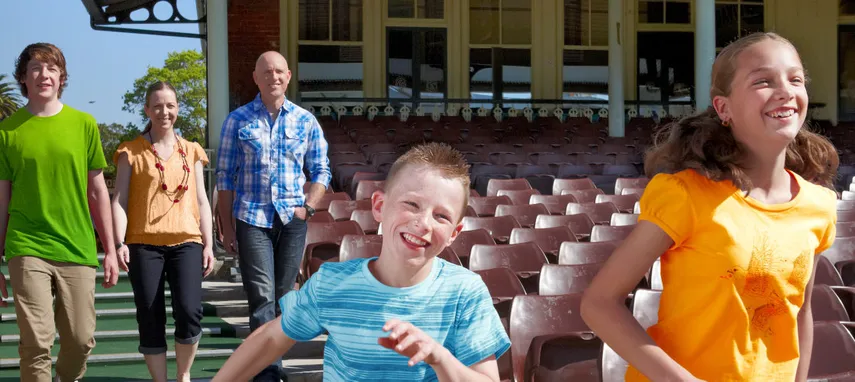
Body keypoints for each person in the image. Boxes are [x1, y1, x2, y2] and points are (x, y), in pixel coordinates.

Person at [580, 32, 839, 382]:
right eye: (763, 81)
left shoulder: (818, 205)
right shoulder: (685, 194)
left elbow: (799, 311)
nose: (785, 91)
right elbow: (599, 303)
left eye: (795, 79)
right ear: (723, 108)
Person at [211, 142, 511, 381]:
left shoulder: (466, 292)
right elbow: (271, 338)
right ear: (380, 206)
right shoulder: (333, 283)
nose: (424, 223)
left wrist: (439, 357)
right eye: (412, 204)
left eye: (441, 216)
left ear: (454, 234)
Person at [0, 42, 120, 382]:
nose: (44, 75)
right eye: (35, 68)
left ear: (61, 76)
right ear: (23, 78)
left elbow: (98, 192)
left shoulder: (83, 124)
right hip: (26, 246)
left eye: (51, 68)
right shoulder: (7, 132)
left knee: (80, 340)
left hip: (77, 245)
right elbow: (1, 200)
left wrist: (109, 249)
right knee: (37, 342)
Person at [215, 50, 332, 381]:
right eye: (266, 72)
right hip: (252, 217)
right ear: (256, 77)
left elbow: (322, 169)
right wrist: (226, 226)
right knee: (262, 296)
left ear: (289, 76)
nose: (273, 77)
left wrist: (308, 206)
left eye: (279, 72)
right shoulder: (237, 121)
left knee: (284, 299)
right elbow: (224, 176)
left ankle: (270, 359)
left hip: (292, 221)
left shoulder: (305, 120)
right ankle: (268, 371)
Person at [110, 81, 216, 382]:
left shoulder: (192, 151)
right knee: (149, 313)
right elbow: (119, 200)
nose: (164, 111)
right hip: (143, 245)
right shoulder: (130, 151)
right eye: (157, 106)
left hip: (187, 242)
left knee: (189, 310)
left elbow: (201, 200)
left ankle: (183, 375)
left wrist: (209, 245)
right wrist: (119, 242)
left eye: (170, 105)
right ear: (147, 110)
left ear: (178, 109)